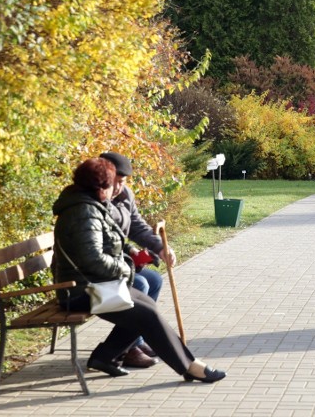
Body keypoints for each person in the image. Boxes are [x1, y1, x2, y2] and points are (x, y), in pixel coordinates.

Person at [53, 157, 226, 383]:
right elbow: (92, 259)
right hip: (78, 292)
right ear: (99, 186)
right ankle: (190, 367)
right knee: (145, 315)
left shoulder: (91, 205)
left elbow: (110, 241)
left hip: (94, 285)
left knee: (147, 307)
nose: (118, 188)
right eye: (113, 183)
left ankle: (105, 357)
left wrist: (130, 253)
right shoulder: (83, 211)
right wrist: (126, 267)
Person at [97, 151, 175, 368]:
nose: (120, 187)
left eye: (123, 182)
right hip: (96, 270)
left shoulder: (124, 194)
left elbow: (136, 225)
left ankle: (135, 340)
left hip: (117, 260)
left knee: (154, 280)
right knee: (140, 283)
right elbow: (98, 246)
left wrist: (160, 248)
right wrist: (128, 255)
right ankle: (128, 348)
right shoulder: (96, 200)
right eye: (117, 182)